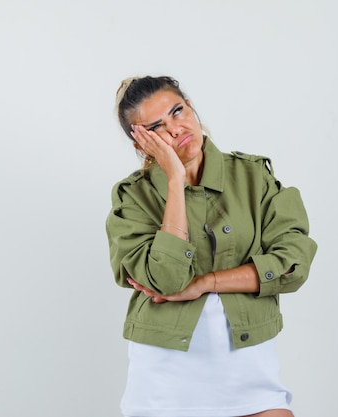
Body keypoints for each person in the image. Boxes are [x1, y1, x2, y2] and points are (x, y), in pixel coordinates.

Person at [105, 75, 318, 417]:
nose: (175, 129)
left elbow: (293, 264)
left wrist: (206, 283)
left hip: (249, 369)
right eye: (157, 127)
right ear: (141, 144)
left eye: (178, 111)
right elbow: (167, 280)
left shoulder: (253, 177)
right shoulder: (133, 198)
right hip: (164, 380)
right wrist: (175, 179)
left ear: (191, 107)